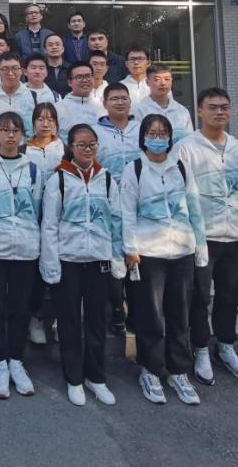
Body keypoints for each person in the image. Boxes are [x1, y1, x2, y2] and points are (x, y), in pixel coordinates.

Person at [118, 113, 207, 406]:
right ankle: (151, 369)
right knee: (151, 316)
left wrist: (200, 244)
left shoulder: (180, 167)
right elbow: (127, 211)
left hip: (181, 250)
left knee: (180, 314)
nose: (158, 138)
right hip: (148, 252)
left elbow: (193, 206)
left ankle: (178, 370)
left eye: (163, 133)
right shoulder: (134, 169)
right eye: (152, 133)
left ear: (170, 137)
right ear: (143, 137)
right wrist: (130, 248)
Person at [175, 88, 238, 385]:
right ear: (199, 111)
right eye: (212, 107)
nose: (219, 112)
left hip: (234, 235)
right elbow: (179, 193)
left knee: (230, 296)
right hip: (202, 236)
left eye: (224, 107)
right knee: (199, 297)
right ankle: (200, 348)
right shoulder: (186, 148)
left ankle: (226, 346)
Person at [40, 124, 121, 407]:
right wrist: (51, 264)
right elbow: (50, 225)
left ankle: (96, 377)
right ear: (71, 148)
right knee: (70, 321)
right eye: (81, 145)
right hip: (69, 260)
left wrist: (117, 257)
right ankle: (74, 377)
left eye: (92, 145)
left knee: (97, 321)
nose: (87, 150)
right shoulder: (59, 180)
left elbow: (116, 221)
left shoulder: (106, 179)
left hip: (98, 259)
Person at [0, 112, 45, 399]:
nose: (10, 135)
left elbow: (37, 209)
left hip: (25, 249)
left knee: (20, 307)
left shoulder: (34, 169)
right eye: (5, 130)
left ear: (23, 134)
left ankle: (16, 360)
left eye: (15, 130)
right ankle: (0, 362)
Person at [95, 82, 141, 338]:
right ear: (104, 103)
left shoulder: (141, 129)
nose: (120, 102)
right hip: (107, 202)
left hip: (139, 203)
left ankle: (135, 311)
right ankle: (116, 311)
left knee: (135, 255)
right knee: (113, 256)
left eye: (124, 98)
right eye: (114, 98)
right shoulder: (95, 131)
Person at [25, 102, 63, 346]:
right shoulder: (23, 149)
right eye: (40, 119)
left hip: (61, 219)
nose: (45, 123)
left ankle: (60, 320)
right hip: (32, 217)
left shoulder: (65, 148)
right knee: (34, 274)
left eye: (50, 119)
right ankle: (35, 317)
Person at [0, 52, 35, 154]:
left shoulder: (33, 97)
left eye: (15, 68)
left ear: (22, 71)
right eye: (5, 69)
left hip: (26, 155)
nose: (10, 73)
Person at [131, 63, 195, 144]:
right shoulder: (138, 111)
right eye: (157, 79)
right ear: (147, 82)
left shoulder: (182, 111)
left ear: (171, 81)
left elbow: (190, 141)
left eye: (167, 79)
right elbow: (135, 141)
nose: (163, 83)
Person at [56, 60, 105, 139]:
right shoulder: (58, 109)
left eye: (88, 76)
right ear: (69, 82)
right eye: (79, 77)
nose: (85, 80)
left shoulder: (102, 106)